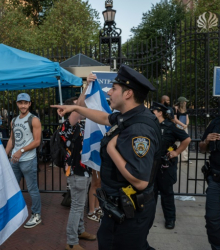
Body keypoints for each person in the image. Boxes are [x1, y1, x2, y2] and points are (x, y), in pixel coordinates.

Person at [52, 64, 161, 250]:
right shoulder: (127, 116)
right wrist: (73, 108)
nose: (109, 92)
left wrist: (111, 149)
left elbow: (140, 180)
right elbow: (103, 118)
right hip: (123, 211)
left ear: (128, 94)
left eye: (114, 89)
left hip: (129, 214)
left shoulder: (139, 129)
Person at [58, 97, 96, 250]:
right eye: (77, 107)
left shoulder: (79, 125)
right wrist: (86, 88)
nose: (82, 108)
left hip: (84, 171)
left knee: (79, 205)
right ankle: (72, 242)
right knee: (77, 206)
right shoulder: (69, 125)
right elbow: (78, 107)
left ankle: (79, 231)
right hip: (77, 172)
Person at [151, 102, 191, 230]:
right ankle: (148, 218)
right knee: (151, 193)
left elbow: (187, 139)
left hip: (165, 165)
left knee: (166, 193)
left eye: (153, 111)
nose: (151, 113)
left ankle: (170, 219)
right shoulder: (150, 125)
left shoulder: (170, 126)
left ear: (160, 112)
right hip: (152, 165)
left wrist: (176, 152)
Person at [5, 93, 42, 229]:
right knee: (12, 187)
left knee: (32, 189)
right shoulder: (14, 120)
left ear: (29, 104)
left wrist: (21, 151)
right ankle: (14, 212)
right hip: (14, 160)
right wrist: (4, 154)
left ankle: (36, 214)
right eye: (20, 103)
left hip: (28, 160)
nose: (23, 105)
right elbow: (11, 140)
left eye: (25, 103)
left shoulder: (34, 120)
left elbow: (37, 141)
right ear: (17, 104)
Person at [199, 118, 220, 250]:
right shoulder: (215, 122)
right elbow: (202, 148)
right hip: (216, 180)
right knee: (212, 219)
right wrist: (206, 141)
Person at [174, 97, 190, 162]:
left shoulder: (186, 110)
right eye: (185, 101)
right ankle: (177, 157)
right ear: (182, 102)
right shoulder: (176, 109)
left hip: (184, 127)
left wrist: (186, 125)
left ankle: (184, 158)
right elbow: (175, 119)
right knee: (177, 142)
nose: (186, 103)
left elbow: (187, 118)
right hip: (178, 126)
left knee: (186, 141)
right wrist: (182, 125)